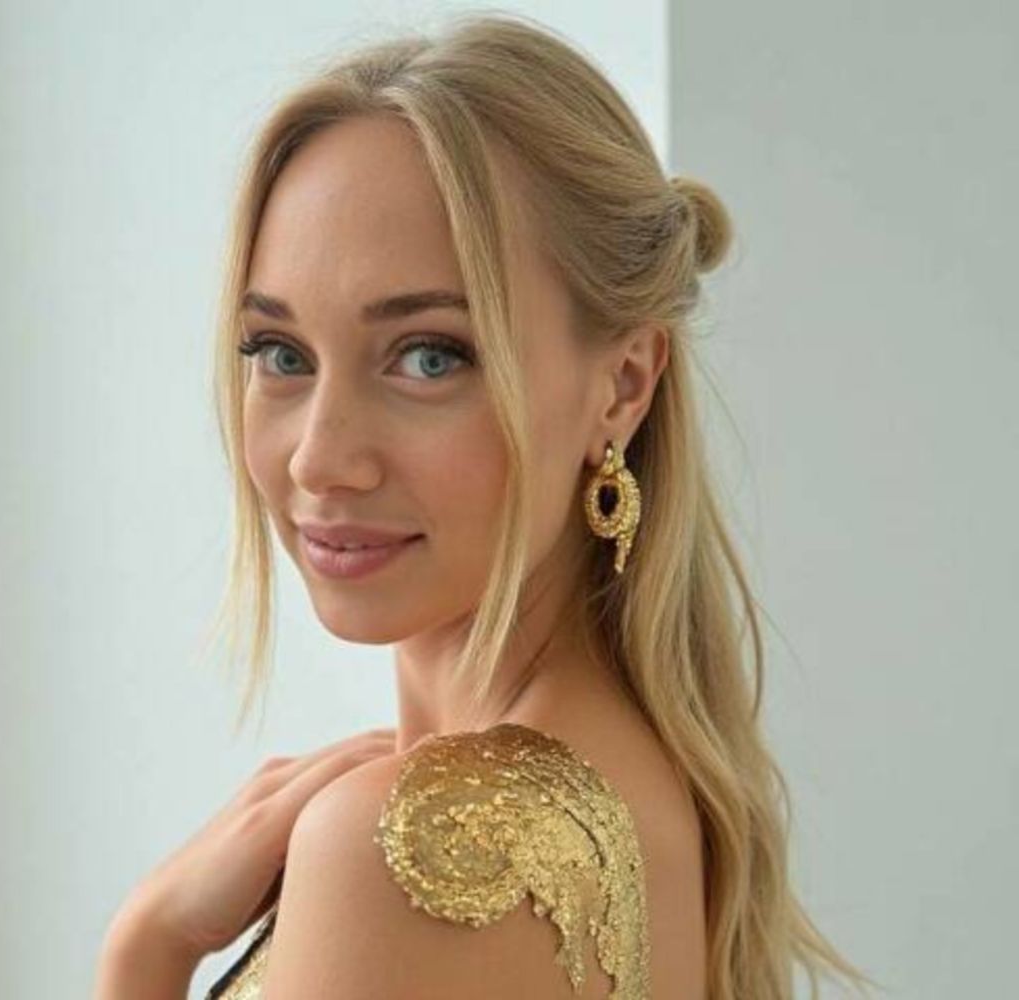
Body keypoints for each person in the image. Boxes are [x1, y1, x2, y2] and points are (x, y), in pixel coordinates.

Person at [95, 12, 875, 1000]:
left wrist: (144, 951)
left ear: (622, 384)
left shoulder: (409, 849)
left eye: (429, 357)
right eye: (280, 354)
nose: (322, 459)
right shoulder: (645, 784)